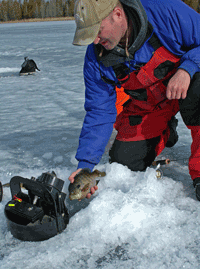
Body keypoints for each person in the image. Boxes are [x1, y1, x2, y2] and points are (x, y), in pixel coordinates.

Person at [68, 0, 200, 200]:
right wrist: (85, 165)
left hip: (189, 85)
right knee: (125, 162)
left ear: (118, 14)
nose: (94, 40)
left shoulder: (166, 11)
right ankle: (165, 129)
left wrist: (187, 69)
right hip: (152, 104)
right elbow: (99, 111)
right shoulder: (96, 58)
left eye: (98, 30)